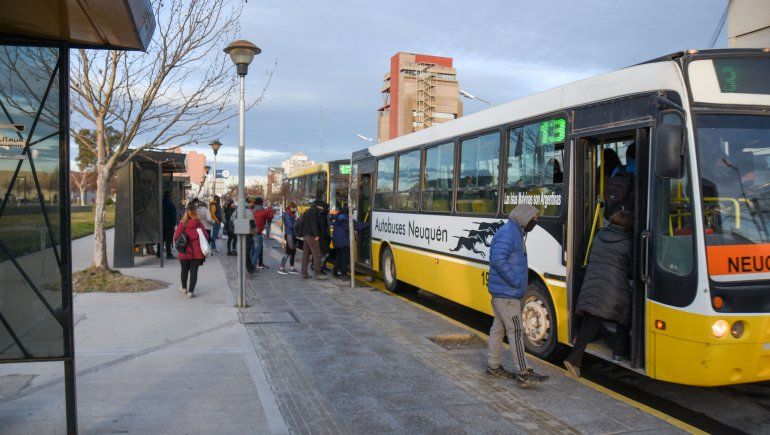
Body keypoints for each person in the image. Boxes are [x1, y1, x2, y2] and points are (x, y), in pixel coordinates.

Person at [564, 210, 634, 378]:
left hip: (592, 285)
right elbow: (631, 270)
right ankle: (619, 352)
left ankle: (574, 359)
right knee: (625, 315)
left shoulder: (599, 236)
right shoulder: (627, 242)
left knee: (591, 323)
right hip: (612, 290)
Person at [485, 203, 549, 386]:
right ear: (524, 217)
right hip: (507, 294)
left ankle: (493, 366)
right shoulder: (509, 233)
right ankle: (523, 371)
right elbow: (498, 259)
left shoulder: (514, 231)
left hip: (504, 292)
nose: (535, 222)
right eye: (534, 218)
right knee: (516, 331)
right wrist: (516, 281)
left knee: (498, 329)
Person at [173, 203, 209, 299]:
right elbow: (206, 236)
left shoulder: (182, 224)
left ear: (187, 213)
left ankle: (184, 288)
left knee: (184, 270)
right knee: (194, 272)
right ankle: (191, 292)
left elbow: (176, 237)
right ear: (195, 213)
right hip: (197, 252)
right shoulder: (199, 224)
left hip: (184, 251)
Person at [299, 199, 327, 280]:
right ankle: (317, 273)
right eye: (323, 208)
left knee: (306, 254)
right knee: (317, 254)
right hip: (311, 235)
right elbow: (313, 223)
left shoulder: (308, 210)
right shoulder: (314, 211)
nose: (323, 209)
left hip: (305, 235)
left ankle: (304, 273)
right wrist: (316, 235)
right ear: (320, 206)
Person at [252, 197, 275, 270]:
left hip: (250, 233)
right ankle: (252, 267)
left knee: (254, 249)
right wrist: (269, 207)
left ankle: (260, 264)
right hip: (258, 233)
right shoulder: (263, 211)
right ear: (261, 203)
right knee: (257, 250)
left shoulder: (252, 210)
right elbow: (271, 216)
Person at [278, 202, 299, 275]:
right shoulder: (287, 214)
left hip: (293, 234)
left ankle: (292, 268)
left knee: (293, 251)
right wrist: (296, 221)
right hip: (289, 234)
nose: (295, 210)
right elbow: (290, 225)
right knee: (288, 251)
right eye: (294, 208)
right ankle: (281, 268)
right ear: (290, 208)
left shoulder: (291, 214)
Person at [331, 207, 351, 279]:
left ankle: (334, 272)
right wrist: (368, 224)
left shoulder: (337, 219)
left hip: (336, 242)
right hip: (344, 242)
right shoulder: (347, 220)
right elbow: (357, 225)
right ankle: (343, 275)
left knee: (338, 257)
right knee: (344, 259)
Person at [159, 192, 177, 259]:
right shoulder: (170, 204)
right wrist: (174, 223)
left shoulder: (160, 204)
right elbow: (173, 215)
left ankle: (159, 253)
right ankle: (168, 254)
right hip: (168, 225)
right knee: (168, 240)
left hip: (160, 224)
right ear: (169, 197)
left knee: (161, 239)